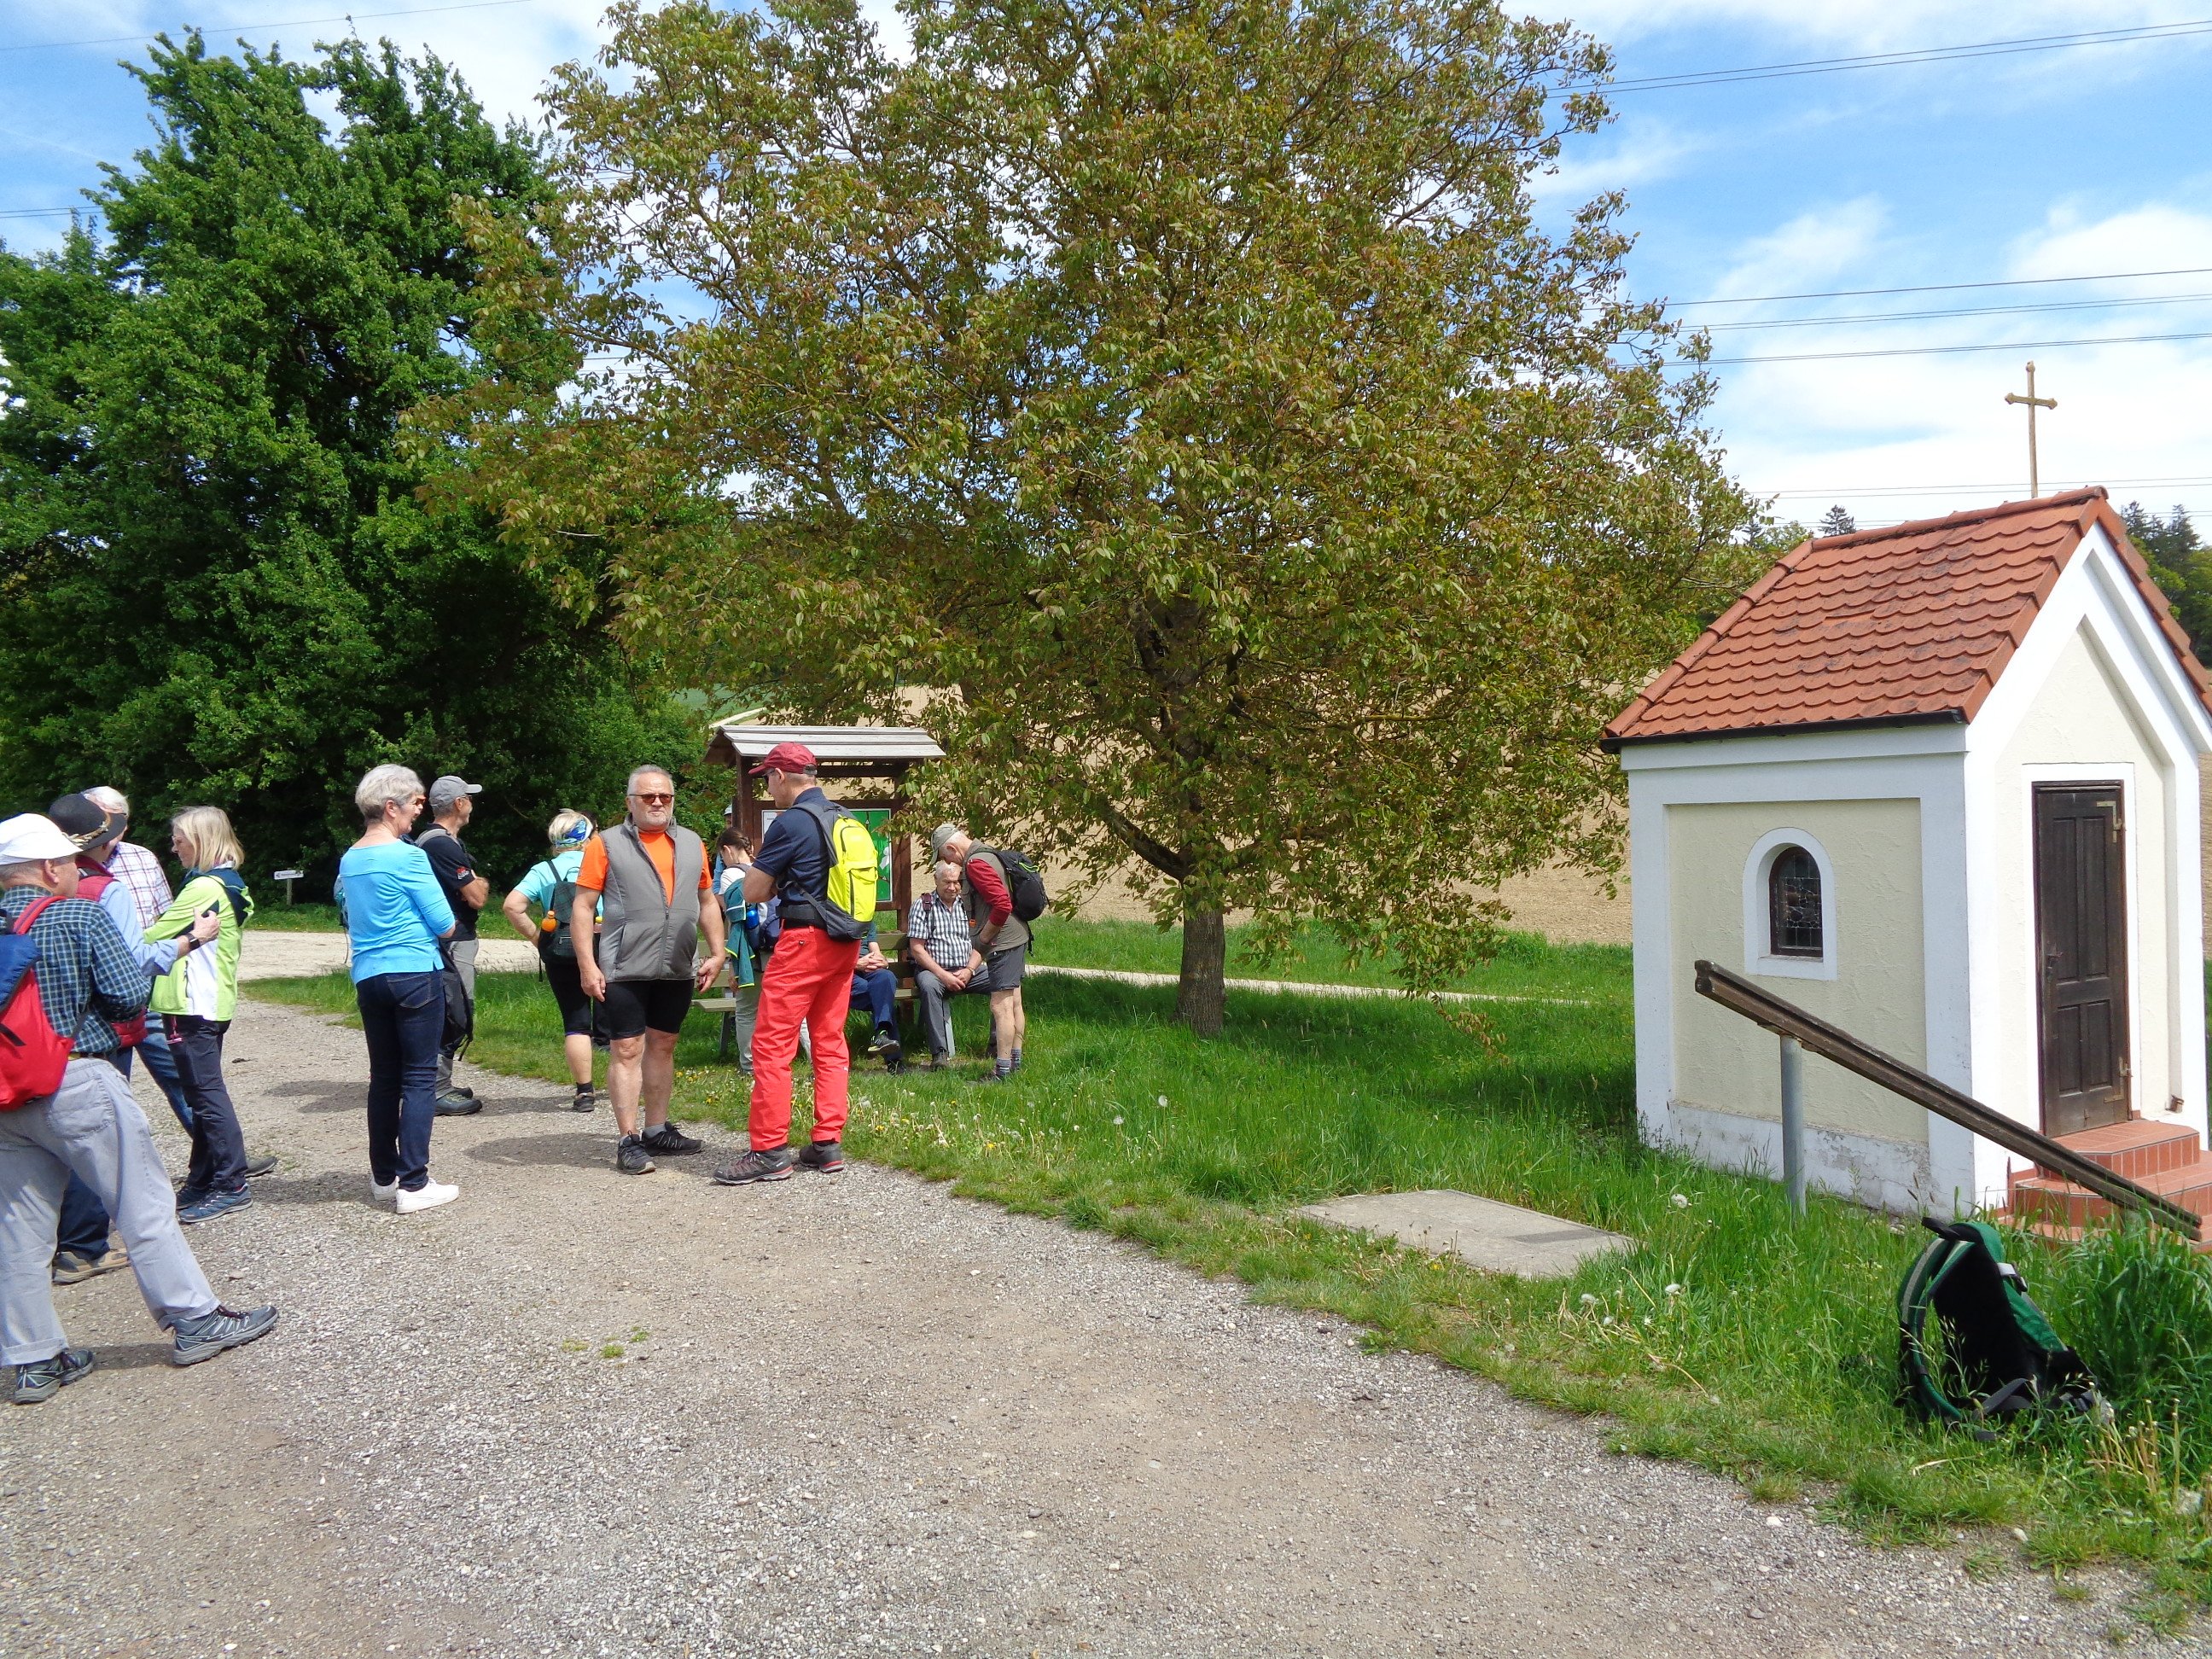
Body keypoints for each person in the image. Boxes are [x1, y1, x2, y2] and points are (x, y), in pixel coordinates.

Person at [0, 813, 276, 1405]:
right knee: (142, 1204)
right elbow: (128, 995)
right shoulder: (79, 915)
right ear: (48, 868)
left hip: (6, 1095)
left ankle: (33, 1359)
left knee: (19, 1229)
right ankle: (195, 1319)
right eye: (70, 863)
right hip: (76, 1078)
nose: (78, 872)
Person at [44, 794, 221, 1280]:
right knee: (97, 1134)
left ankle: (62, 1239)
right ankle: (83, 1246)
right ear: (105, 841)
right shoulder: (106, 890)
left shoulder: (33, 891)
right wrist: (192, 940)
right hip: (104, 1029)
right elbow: (130, 966)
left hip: (47, 1032)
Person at [712, 742, 862, 1185]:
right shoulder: (843, 817)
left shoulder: (791, 822)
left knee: (773, 1044)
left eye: (767, 779)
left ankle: (769, 1151)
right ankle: (827, 1143)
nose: (767, 788)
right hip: (845, 941)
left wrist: (777, 882)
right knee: (829, 1041)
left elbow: (753, 891)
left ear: (780, 776)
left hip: (804, 943)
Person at [571, 766, 723, 1175]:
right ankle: (628, 1139)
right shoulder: (606, 844)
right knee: (626, 1048)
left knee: (664, 1044)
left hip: (677, 964)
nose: (657, 803)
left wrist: (717, 952)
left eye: (665, 797)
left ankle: (657, 1130)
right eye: (648, 796)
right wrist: (587, 964)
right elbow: (583, 906)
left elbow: (706, 900)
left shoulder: (691, 842)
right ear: (630, 802)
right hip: (624, 965)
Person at [339, 765, 461, 1214]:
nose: (418, 811)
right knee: (420, 1077)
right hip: (413, 973)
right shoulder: (408, 857)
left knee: (384, 1078)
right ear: (390, 807)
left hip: (369, 976)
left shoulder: (350, 859)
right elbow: (445, 924)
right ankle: (415, 1182)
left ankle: (384, 1177)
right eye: (414, 803)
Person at [143, 807, 256, 1225]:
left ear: (200, 840)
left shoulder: (203, 887)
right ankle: (203, 1178)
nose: (174, 848)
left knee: (206, 1097)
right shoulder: (228, 881)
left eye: (179, 840)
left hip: (190, 1003)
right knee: (202, 1093)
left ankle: (232, 1184)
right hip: (212, 1000)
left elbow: (150, 938)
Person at [81, 786, 195, 1132]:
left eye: (118, 821)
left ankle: (221, 1155)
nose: (110, 829)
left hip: (149, 985)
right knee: (110, 1085)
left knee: (181, 1074)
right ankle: (117, 1160)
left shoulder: (142, 858)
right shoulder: (65, 867)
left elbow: (165, 916)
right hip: (101, 996)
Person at [501, 811, 599, 1113]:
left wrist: (538, 939)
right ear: (586, 838)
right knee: (623, 1022)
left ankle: (585, 1092)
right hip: (603, 948)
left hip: (562, 951)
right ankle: (629, 1084)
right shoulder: (600, 864)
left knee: (576, 1022)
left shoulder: (544, 870)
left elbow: (512, 906)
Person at [931, 824, 1031, 1083]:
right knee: (1014, 1002)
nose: (948, 862)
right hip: (1017, 935)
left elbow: (1002, 904)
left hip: (1003, 941)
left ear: (951, 848)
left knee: (1001, 1005)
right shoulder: (987, 852)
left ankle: (1002, 1071)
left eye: (945, 856)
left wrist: (985, 937)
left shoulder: (975, 864)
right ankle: (1015, 1064)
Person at [416, 775, 488, 1115]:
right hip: (453, 940)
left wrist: (473, 884)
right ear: (459, 803)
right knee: (454, 1011)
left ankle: (435, 1083)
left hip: (449, 938)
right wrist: (478, 883)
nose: (472, 804)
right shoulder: (441, 845)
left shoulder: (435, 840)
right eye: (469, 798)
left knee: (451, 1009)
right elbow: (477, 897)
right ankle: (436, 1090)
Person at [907, 858, 988, 1068]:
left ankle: (998, 1046)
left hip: (967, 970)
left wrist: (969, 970)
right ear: (936, 880)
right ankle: (939, 1054)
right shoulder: (923, 905)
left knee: (1002, 980)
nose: (952, 887)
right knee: (929, 986)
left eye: (956, 882)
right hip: (934, 971)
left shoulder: (969, 906)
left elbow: (982, 943)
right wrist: (943, 975)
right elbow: (917, 949)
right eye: (947, 882)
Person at [712, 829, 764, 1075]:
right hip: (775, 947)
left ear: (727, 850)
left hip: (749, 952)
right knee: (789, 1009)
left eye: (721, 856)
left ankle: (749, 1065)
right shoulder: (762, 869)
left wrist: (732, 965)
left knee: (746, 1010)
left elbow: (735, 924)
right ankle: (809, 1058)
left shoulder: (730, 875)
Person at [848, 923, 904, 1069]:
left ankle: (881, 1032)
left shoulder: (866, 917)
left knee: (886, 978)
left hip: (868, 968)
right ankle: (894, 1062)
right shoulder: (833, 915)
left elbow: (874, 949)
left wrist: (882, 961)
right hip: (844, 971)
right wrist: (854, 964)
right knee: (882, 995)